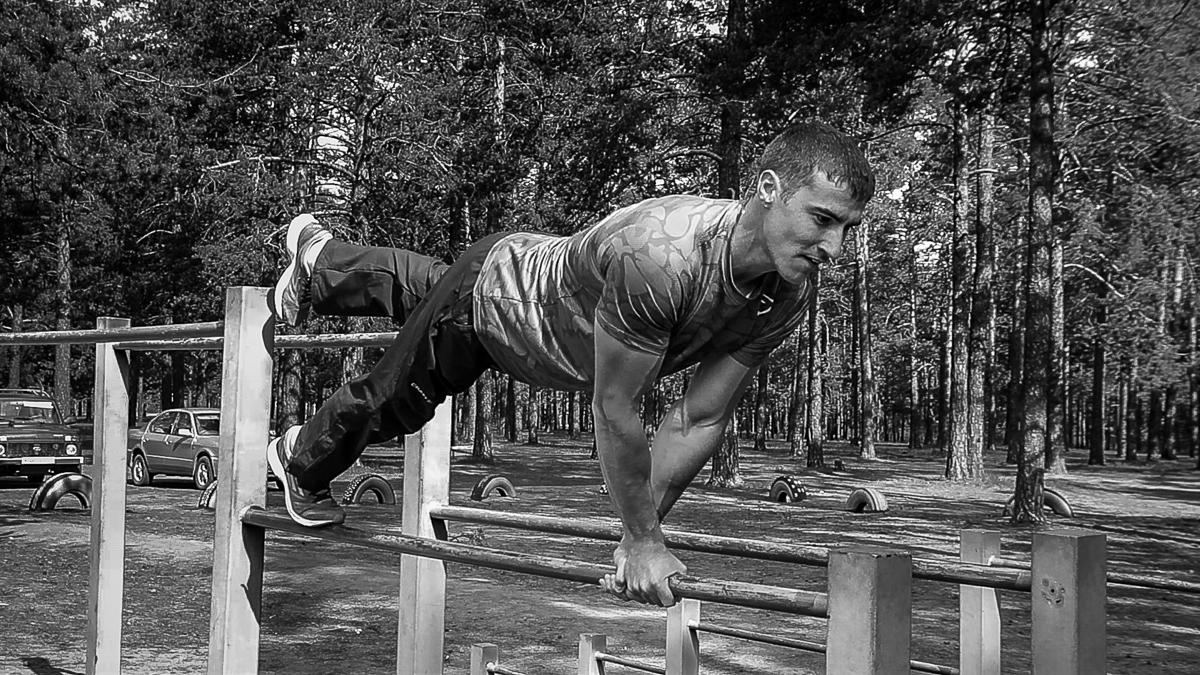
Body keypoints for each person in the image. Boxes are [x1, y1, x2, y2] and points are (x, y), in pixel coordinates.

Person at [265, 121, 875, 607]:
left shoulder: (786, 293)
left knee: (429, 286)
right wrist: (643, 540)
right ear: (767, 189)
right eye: (821, 220)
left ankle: (322, 259)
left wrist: (639, 535)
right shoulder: (663, 256)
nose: (834, 248)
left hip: (522, 290)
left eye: (846, 228)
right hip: (498, 309)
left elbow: (700, 418)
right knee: (395, 401)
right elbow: (615, 408)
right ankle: (299, 457)